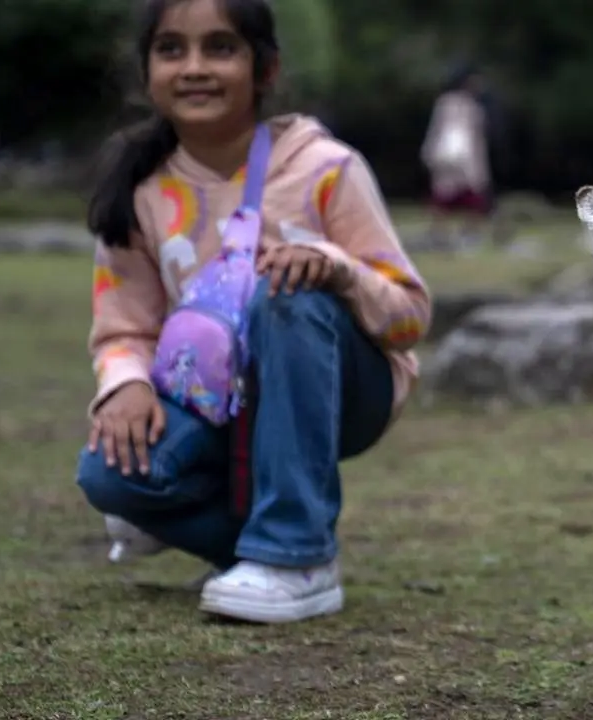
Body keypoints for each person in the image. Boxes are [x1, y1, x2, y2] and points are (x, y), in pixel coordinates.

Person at [76, 0, 432, 624]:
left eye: (220, 48)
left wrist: (333, 268)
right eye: (171, 49)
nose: (194, 67)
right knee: (112, 474)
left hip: (343, 390)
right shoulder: (139, 190)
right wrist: (125, 385)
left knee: (286, 292)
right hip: (215, 399)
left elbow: (410, 316)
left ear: (265, 69)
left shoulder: (325, 169)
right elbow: (123, 325)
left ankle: (297, 558)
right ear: (146, 71)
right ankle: (256, 551)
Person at [420, 63, 492, 251]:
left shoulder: (474, 107)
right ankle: (438, 235)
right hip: (448, 159)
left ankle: (469, 235)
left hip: (467, 162)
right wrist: (430, 153)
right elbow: (438, 130)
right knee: (443, 198)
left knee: (473, 200)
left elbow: (476, 139)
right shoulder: (447, 104)